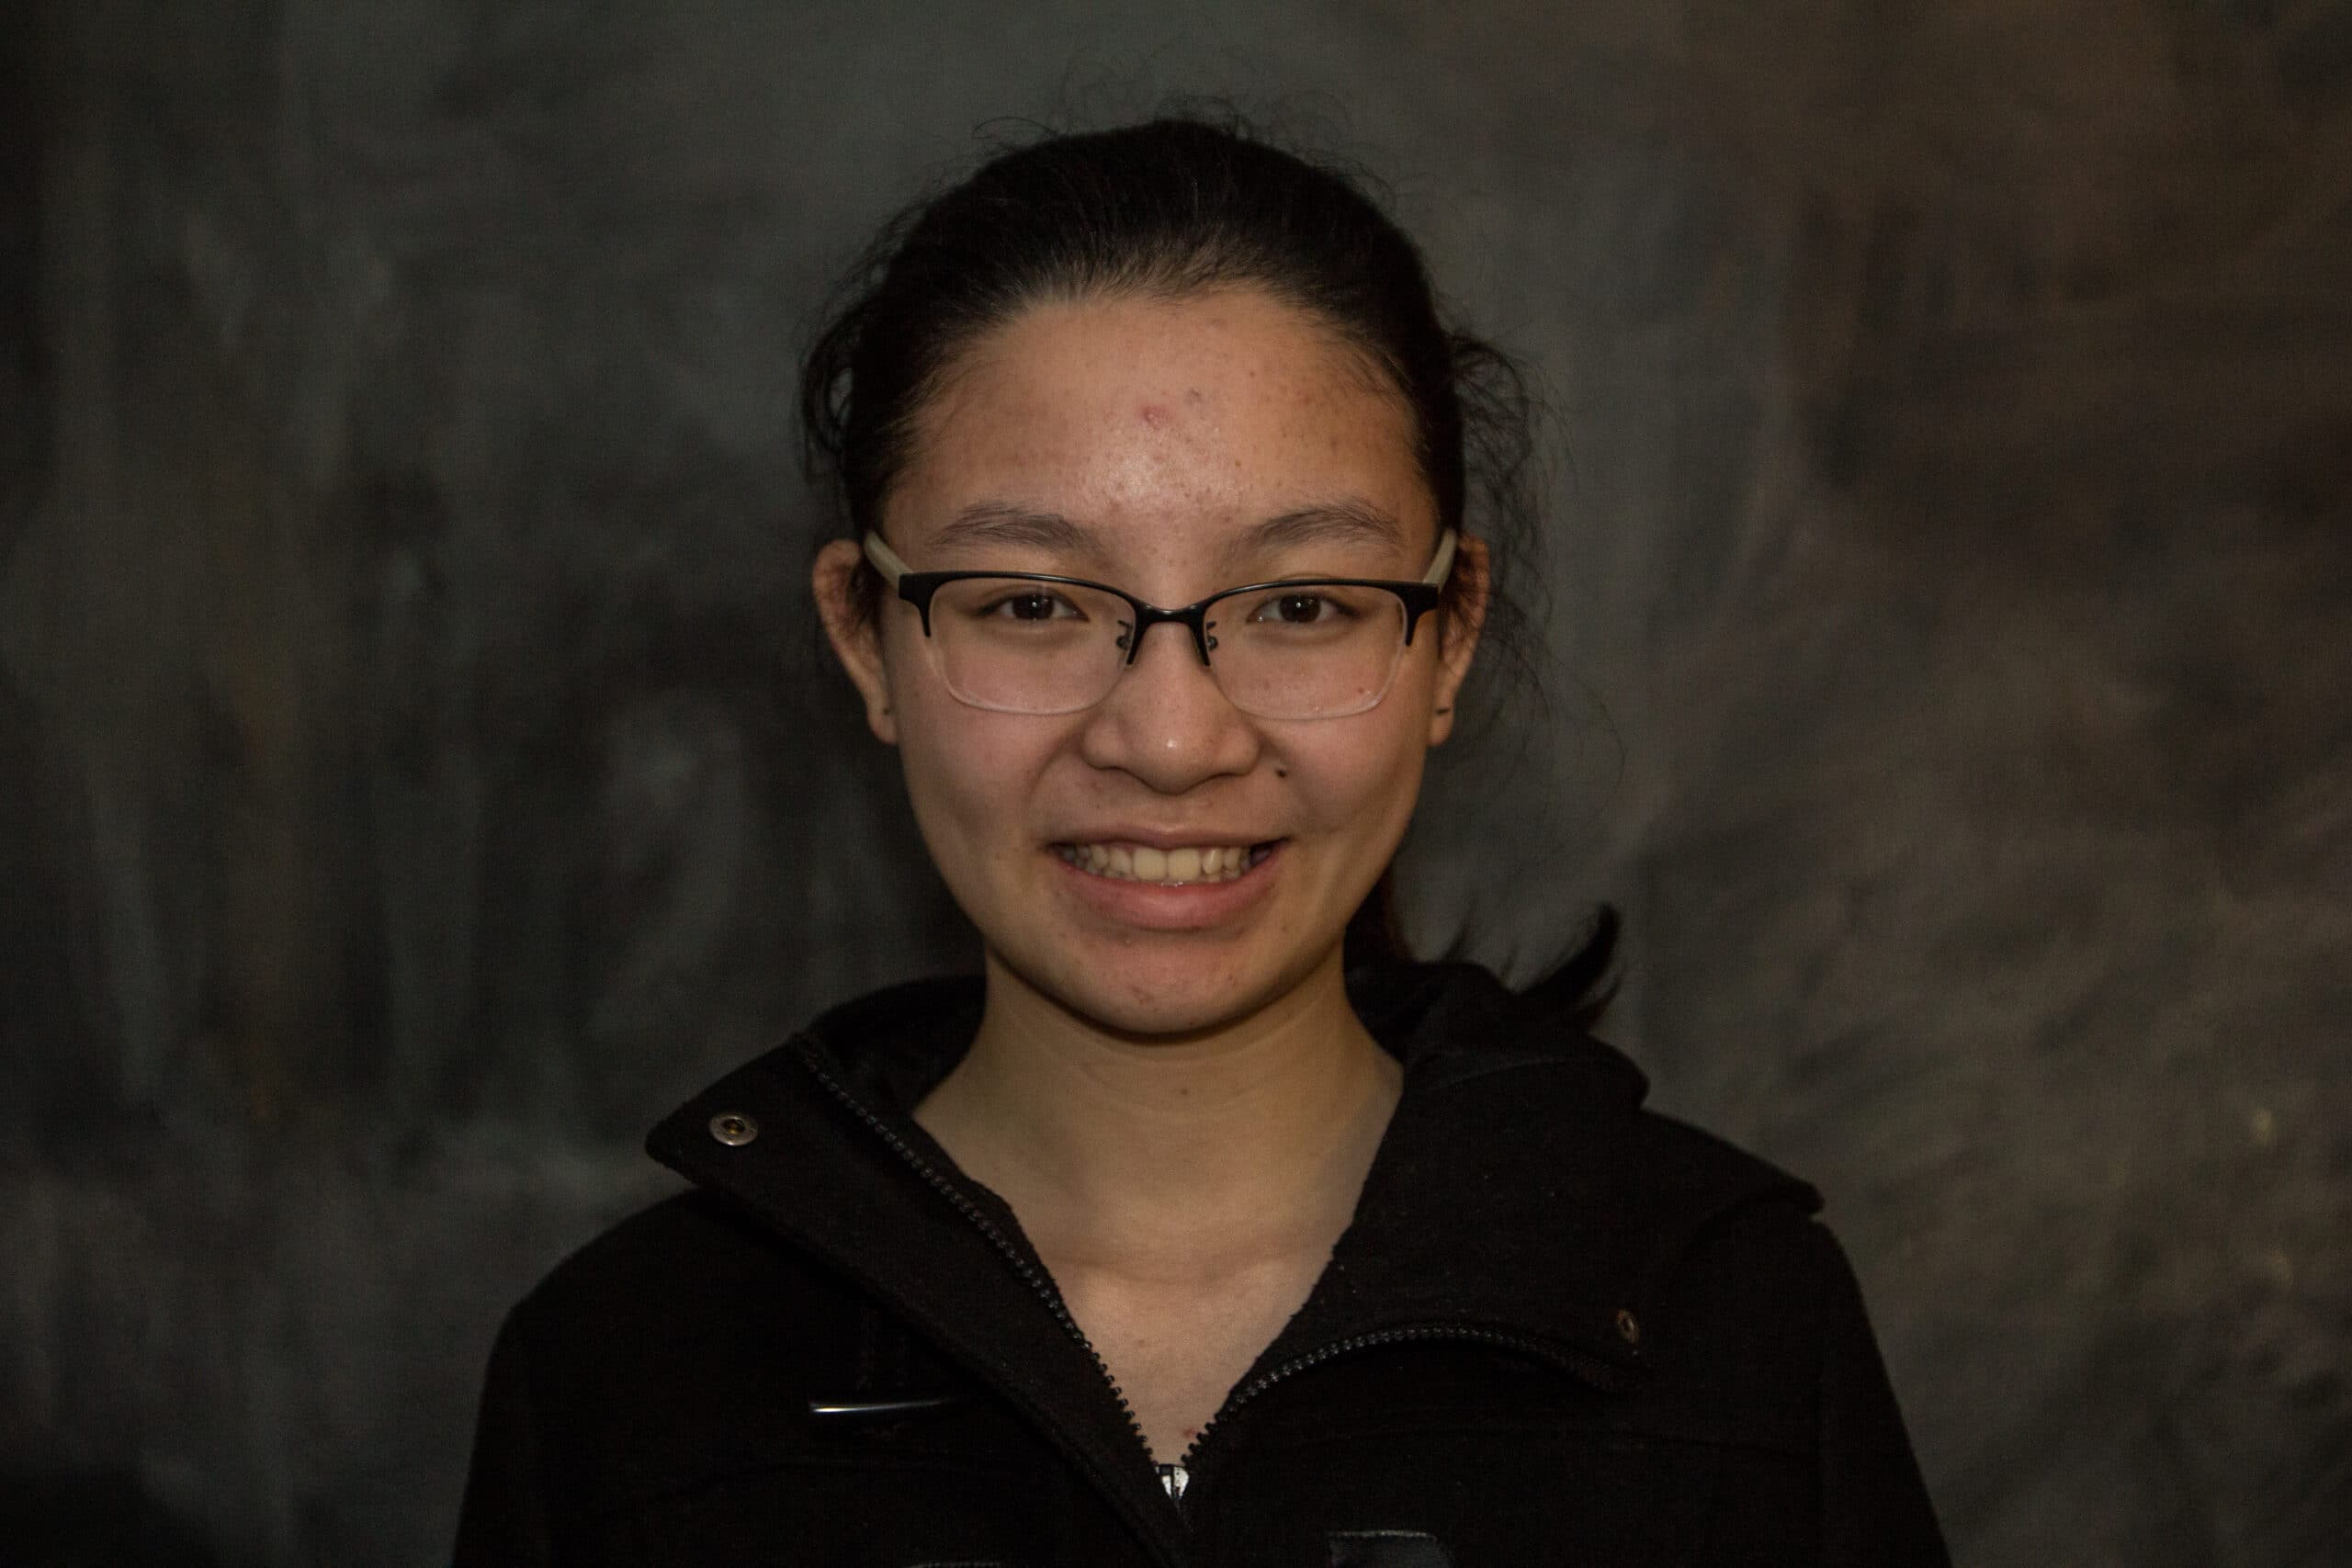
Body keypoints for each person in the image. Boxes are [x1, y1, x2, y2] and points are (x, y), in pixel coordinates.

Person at [454, 116, 1949, 1567]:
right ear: (867, 639)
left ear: (1447, 640)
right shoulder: (623, 1387)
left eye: (1300, 605)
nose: (1171, 742)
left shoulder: (1742, 1334)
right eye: (1031, 603)